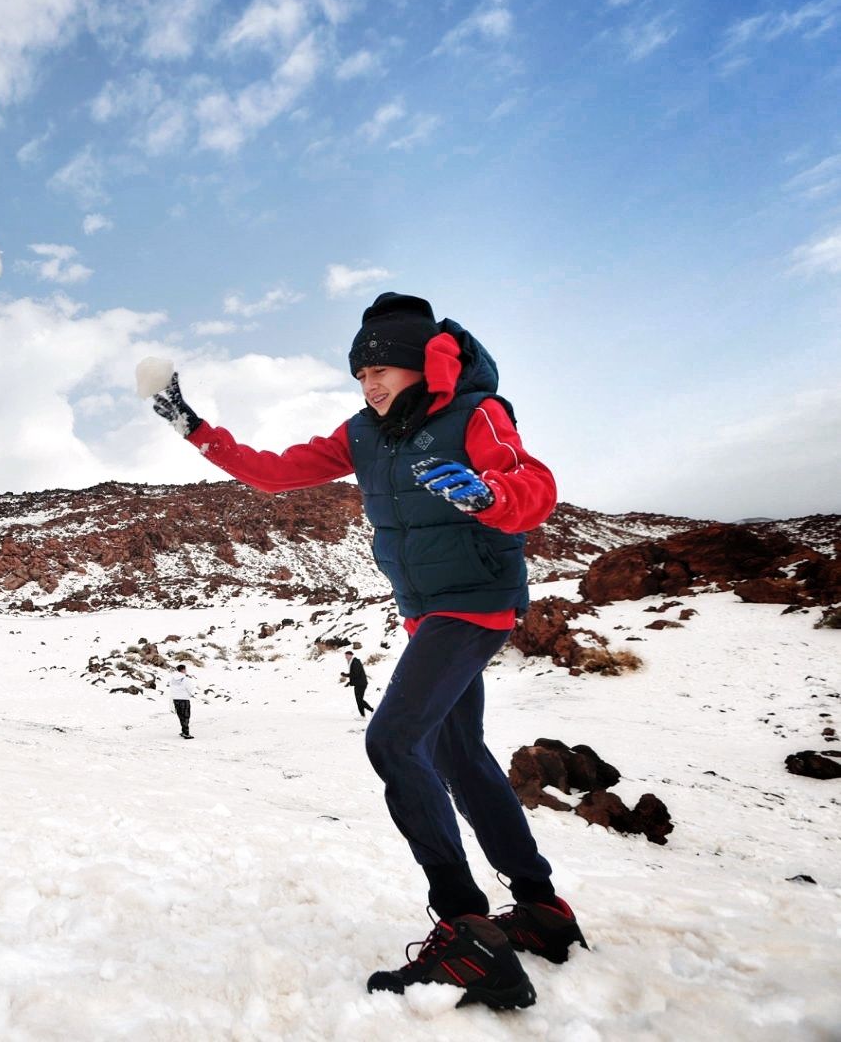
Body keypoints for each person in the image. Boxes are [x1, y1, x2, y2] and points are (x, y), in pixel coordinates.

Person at [148, 292, 585, 1010]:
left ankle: (467, 931)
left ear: (425, 363)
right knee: (456, 754)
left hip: (474, 600)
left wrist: (485, 496)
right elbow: (274, 470)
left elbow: (532, 486)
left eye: (384, 367)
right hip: (428, 614)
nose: (370, 383)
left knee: (393, 740)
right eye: (361, 372)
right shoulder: (362, 433)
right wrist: (196, 429)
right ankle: (540, 910)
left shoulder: (474, 414)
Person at [341, 650, 374, 717]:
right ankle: (366, 714)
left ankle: (370, 711)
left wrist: (346, 675)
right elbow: (355, 674)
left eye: (347, 655)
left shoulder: (355, 662)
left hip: (361, 684)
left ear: (351, 655)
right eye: (345, 655)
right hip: (359, 683)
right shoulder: (353, 662)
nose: (346, 657)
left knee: (359, 700)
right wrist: (350, 682)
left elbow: (355, 674)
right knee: (359, 700)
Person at [167, 663, 195, 739]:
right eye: (185, 669)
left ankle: (183, 731)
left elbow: (171, 687)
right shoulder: (185, 679)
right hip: (184, 699)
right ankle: (186, 733)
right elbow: (190, 689)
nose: (186, 671)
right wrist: (192, 694)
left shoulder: (172, 678)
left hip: (175, 699)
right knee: (186, 716)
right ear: (182, 670)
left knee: (180, 716)